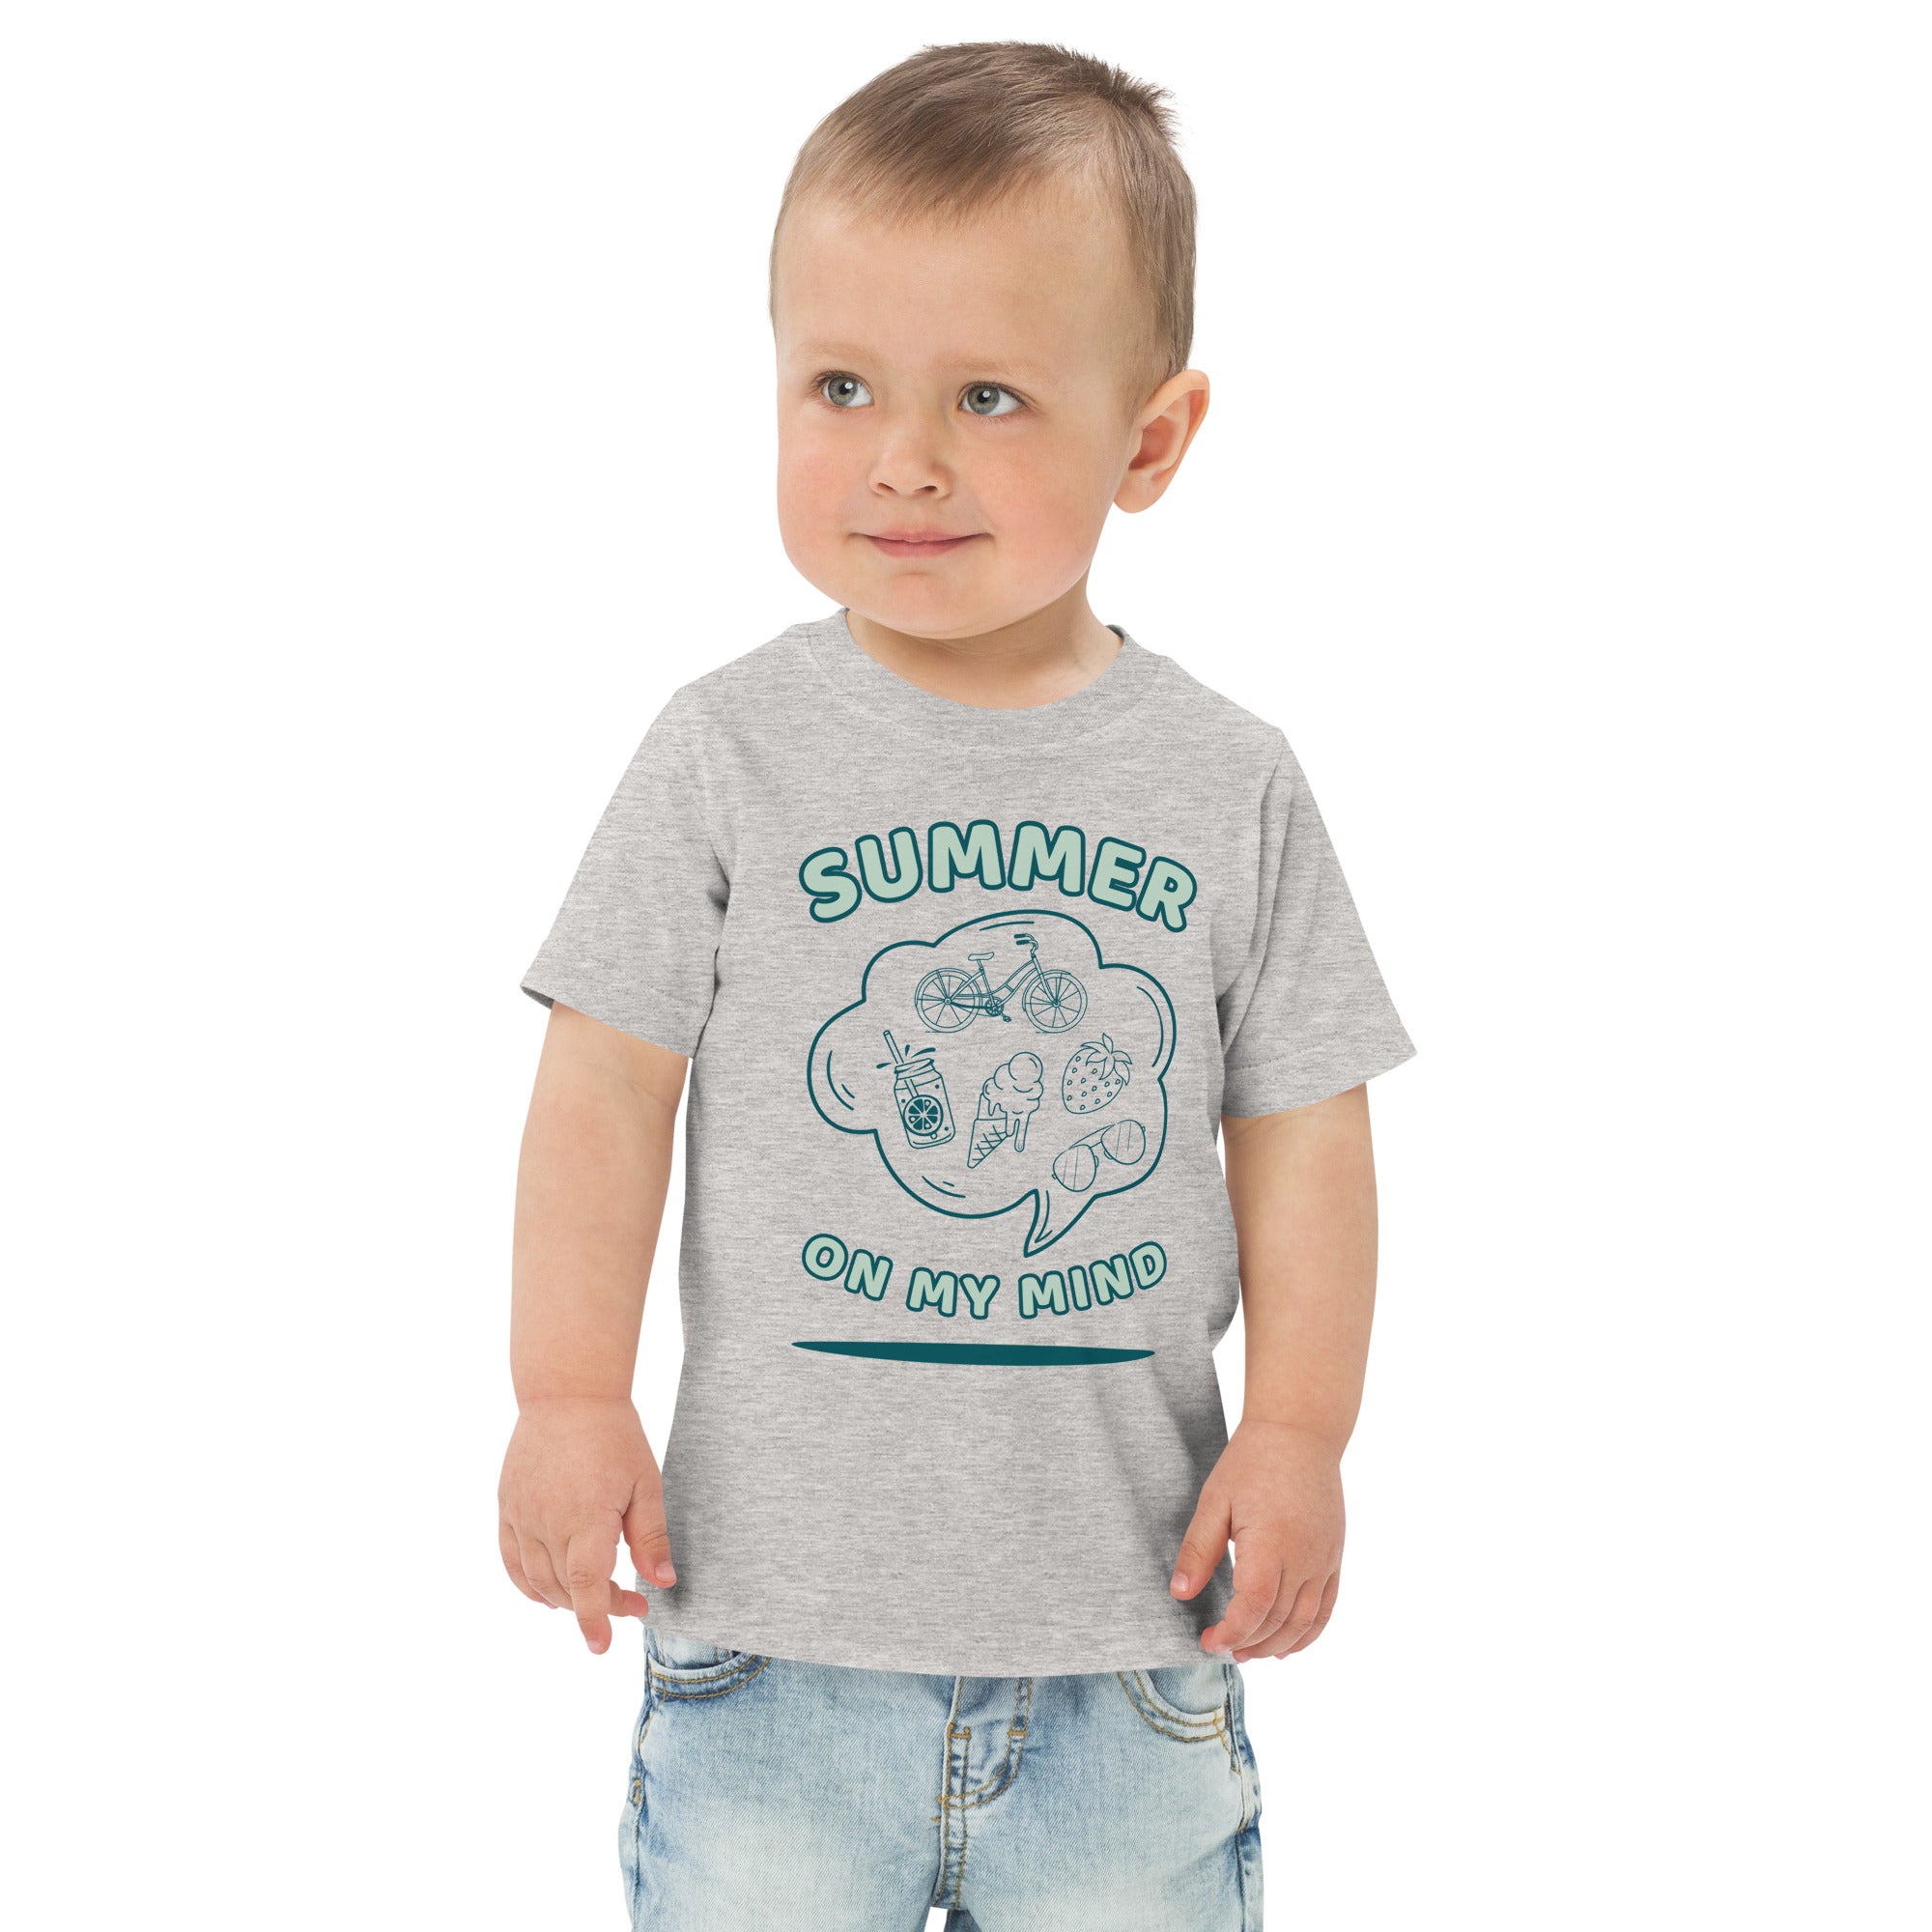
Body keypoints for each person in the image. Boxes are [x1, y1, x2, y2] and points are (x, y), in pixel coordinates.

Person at [498, 40, 1414, 1931]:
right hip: (770, 1650)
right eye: (839, 386)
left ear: (1149, 442)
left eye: (987, 396)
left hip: (1129, 1647)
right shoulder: (725, 753)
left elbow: (1305, 1126)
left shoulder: (1227, 781)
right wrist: (568, 1393)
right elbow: (605, 1084)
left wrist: (1301, 1431)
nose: (901, 458)